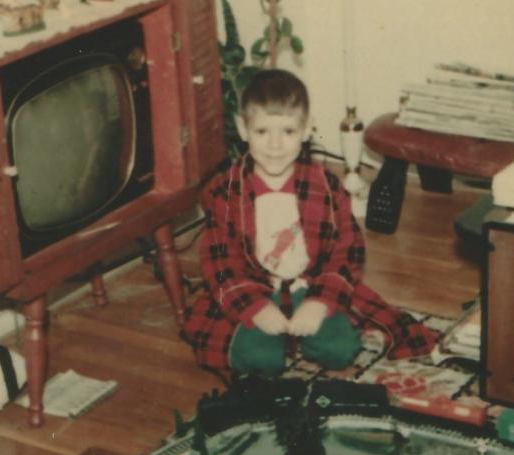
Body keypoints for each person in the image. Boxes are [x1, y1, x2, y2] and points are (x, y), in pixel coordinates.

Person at [183, 69, 436, 376]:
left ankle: (309, 327)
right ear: (242, 128)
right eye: (262, 131)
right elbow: (220, 262)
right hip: (255, 286)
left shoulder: (325, 185)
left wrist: (320, 302)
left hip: (310, 282)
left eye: (288, 132)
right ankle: (269, 339)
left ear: (306, 130)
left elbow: (348, 251)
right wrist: (255, 309)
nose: (275, 145)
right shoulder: (225, 190)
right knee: (260, 361)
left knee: (339, 351)